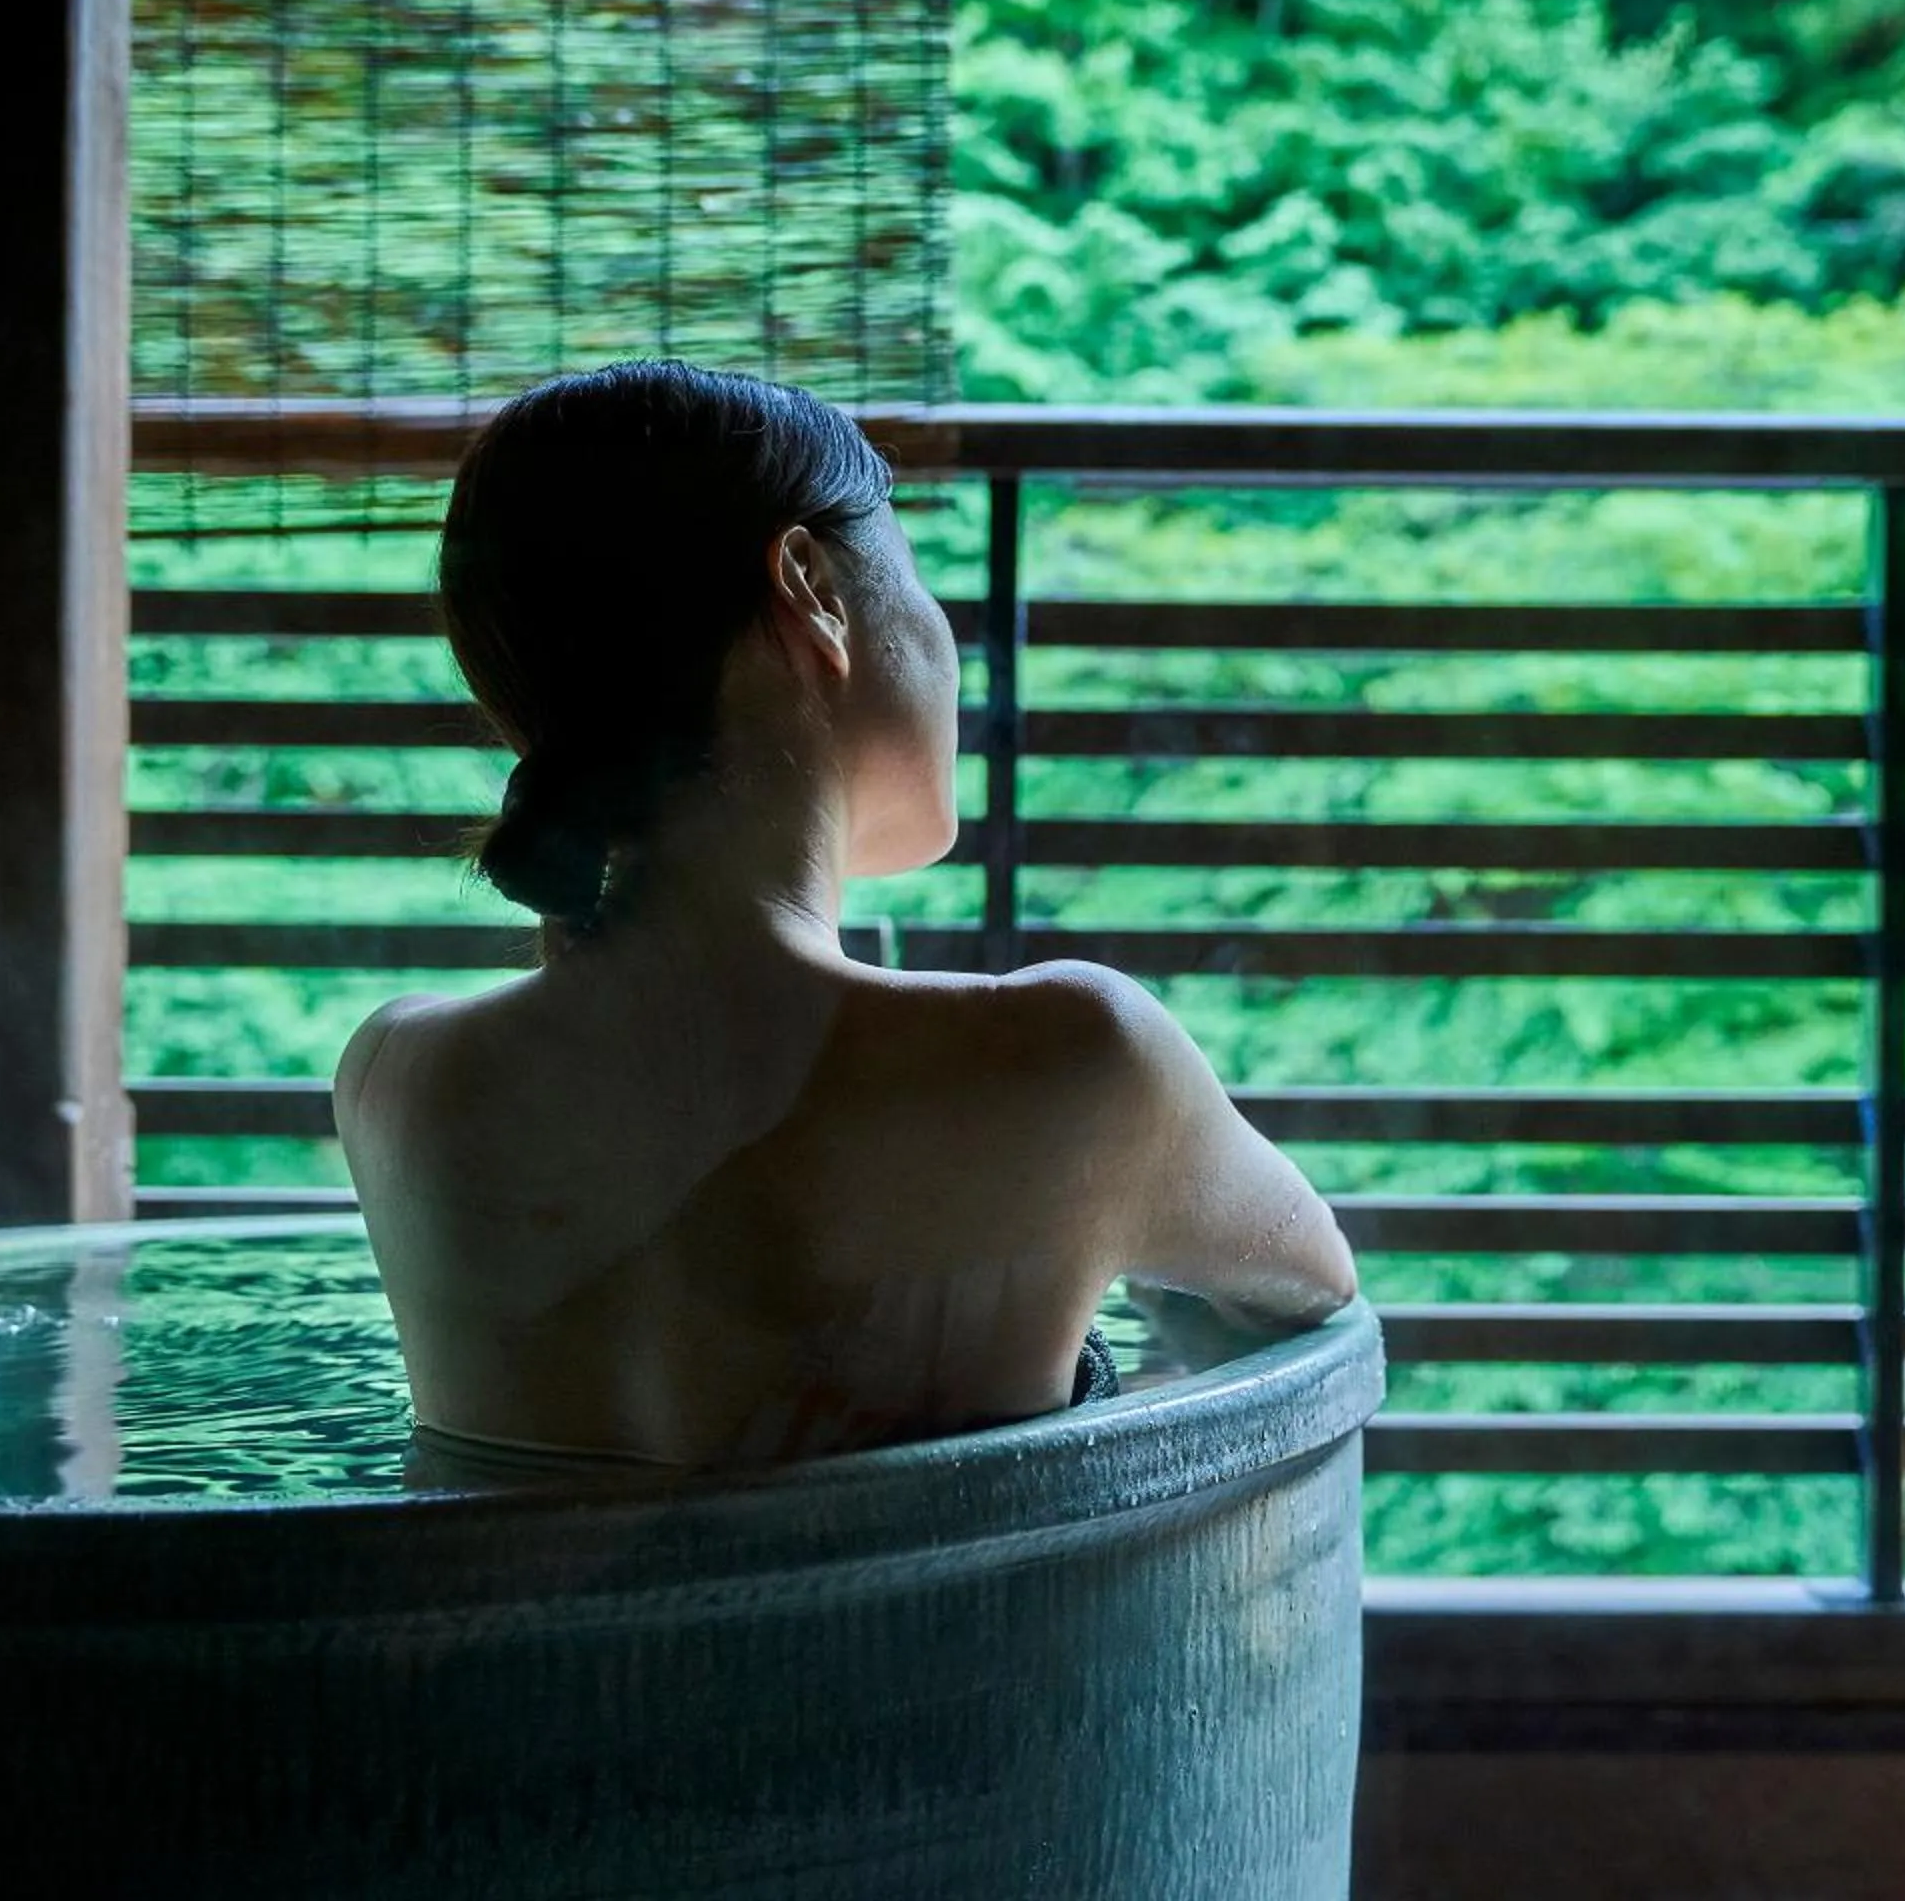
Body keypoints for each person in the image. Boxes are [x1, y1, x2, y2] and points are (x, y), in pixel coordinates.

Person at [333, 361, 1356, 1478]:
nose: (943, 637)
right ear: (811, 584)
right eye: (913, 575)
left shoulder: (401, 1080)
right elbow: (1308, 1287)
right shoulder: (1065, 1059)